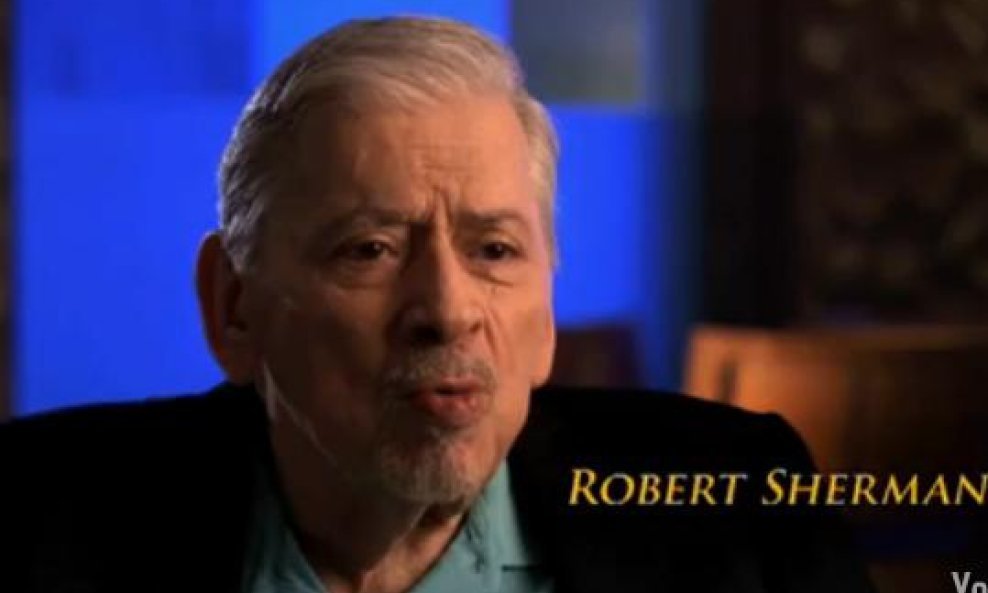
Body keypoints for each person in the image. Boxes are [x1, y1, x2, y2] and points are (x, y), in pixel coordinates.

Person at [0, 16, 875, 593]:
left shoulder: (741, 509)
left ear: (546, 309)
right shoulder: (36, 523)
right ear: (234, 306)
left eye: (494, 250)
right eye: (370, 249)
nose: (448, 310)